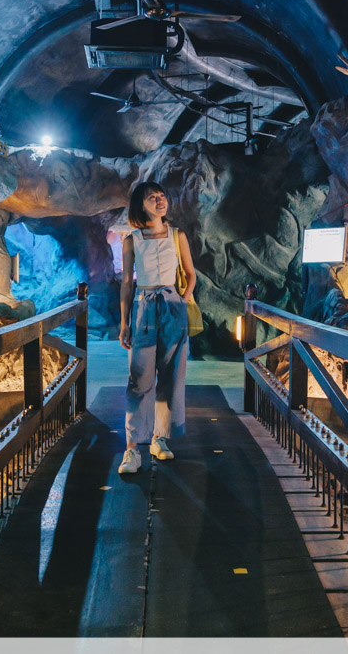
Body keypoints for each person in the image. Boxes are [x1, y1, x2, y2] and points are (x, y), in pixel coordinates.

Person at [118, 181, 196, 474]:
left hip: (172, 306)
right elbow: (127, 283)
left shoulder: (177, 235)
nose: (160, 200)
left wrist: (181, 302)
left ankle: (159, 438)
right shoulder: (132, 240)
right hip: (143, 306)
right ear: (141, 205)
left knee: (172, 375)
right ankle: (131, 449)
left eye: (162, 196)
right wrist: (124, 322)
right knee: (139, 377)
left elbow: (191, 274)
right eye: (152, 197)